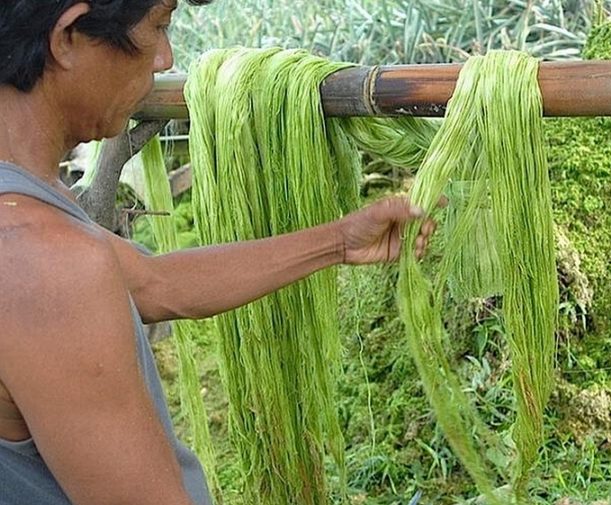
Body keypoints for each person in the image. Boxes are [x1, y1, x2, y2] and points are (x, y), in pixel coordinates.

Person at [0, 1, 438, 504]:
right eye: (158, 25)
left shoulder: (25, 218)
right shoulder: (42, 262)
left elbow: (155, 283)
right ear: (68, 37)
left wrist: (340, 240)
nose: (165, 58)